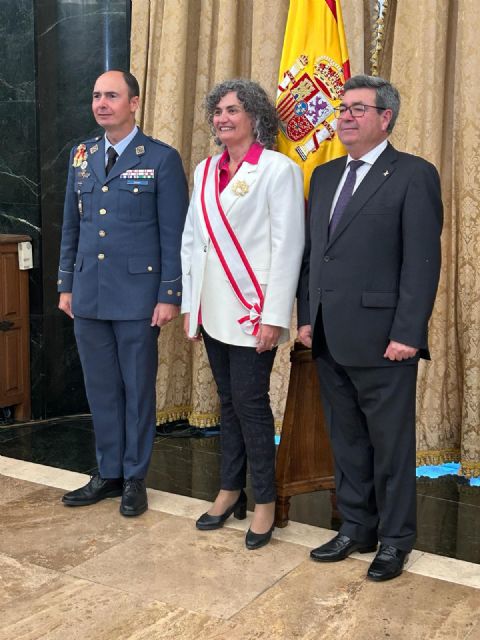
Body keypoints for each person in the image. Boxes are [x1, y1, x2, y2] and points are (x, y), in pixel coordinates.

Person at [297, 75, 443, 581]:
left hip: (386, 341)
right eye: (342, 108)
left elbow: (422, 263)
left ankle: (396, 539)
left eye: (359, 108)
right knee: (348, 442)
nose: (346, 116)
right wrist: (305, 318)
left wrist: (409, 332)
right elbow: (314, 255)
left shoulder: (413, 174)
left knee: (390, 445)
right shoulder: (324, 175)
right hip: (329, 334)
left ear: (386, 118)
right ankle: (356, 526)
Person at [58, 70, 188, 516]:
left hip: (138, 295)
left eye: (111, 96)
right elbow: (71, 225)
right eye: (96, 95)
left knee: (136, 389)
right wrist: (65, 284)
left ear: (134, 103)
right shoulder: (81, 155)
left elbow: (174, 235)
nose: (101, 103)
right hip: (89, 294)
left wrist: (170, 293)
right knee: (101, 389)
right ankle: (107, 473)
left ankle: (135, 477)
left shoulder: (160, 158)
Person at [181, 79, 304, 549]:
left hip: (254, 310)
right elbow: (193, 241)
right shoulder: (205, 169)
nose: (222, 118)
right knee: (227, 403)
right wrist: (192, 308)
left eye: (233, 110)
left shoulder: (278, 170)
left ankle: (265, 503)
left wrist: (275, 315)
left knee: (251, 405)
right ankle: (230, 490)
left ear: (255, 116)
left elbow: (287, 245)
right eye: (217, 111)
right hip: (213, 307)